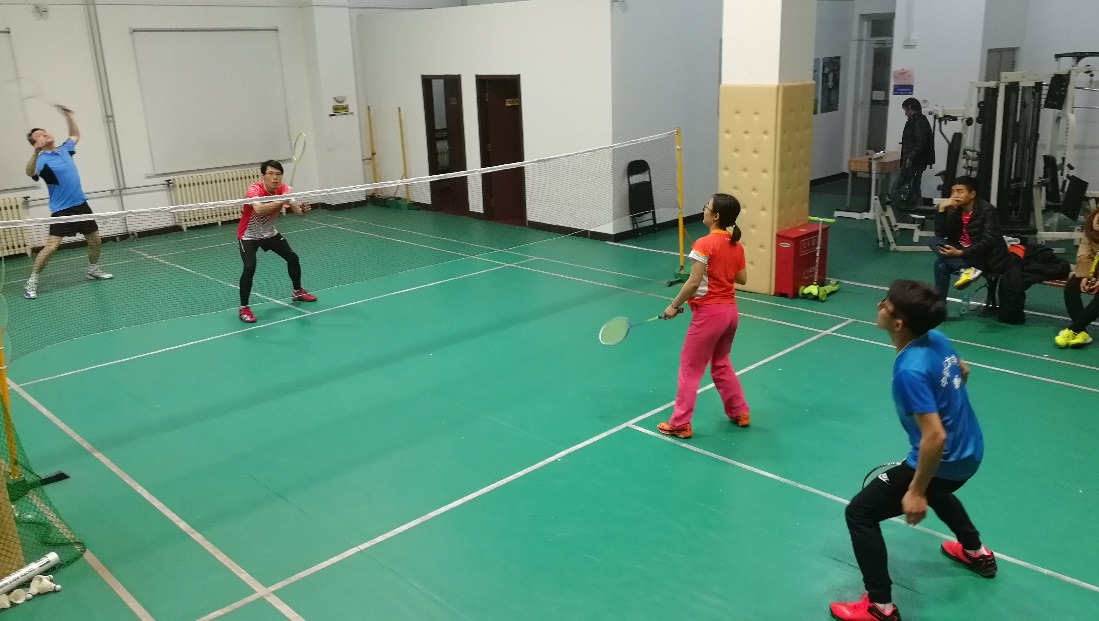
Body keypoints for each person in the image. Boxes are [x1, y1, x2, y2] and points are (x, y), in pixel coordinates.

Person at [830, 279, 996, 621]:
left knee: (860, 513)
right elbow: (962, 369)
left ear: (898, 323)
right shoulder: (936, 338)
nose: (880, 305)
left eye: (886, 304)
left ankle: (880, 607)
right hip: (970, 450)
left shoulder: (910, 371)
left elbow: (934, 437)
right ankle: (976, 552)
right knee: (940, 489)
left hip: (946, 458)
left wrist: (916, 491)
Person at [656, 193, 749, 439]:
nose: (704, 209)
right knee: (721, 364)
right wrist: (722, 268)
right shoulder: (736, 245)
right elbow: (742, 278)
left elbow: (693, 283)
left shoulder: (704, 244)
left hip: (709, 315)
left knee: (690, 369)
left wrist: (673, 306)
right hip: (730, 314)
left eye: (706, 206)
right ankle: (740, 411)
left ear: (715, 216)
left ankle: (680, 423)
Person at [23, 106, 113, 299]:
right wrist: (36, 153)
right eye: (39, 135)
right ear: (36, 143)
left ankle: (93, 270)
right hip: (61, 210)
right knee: (51, 247)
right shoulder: (42, 160)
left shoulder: (65, 149)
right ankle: (32, 281)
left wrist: (68, 116)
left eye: (44, 131)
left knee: (95, 241)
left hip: (81, 204)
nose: (44, 134)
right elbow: (30, 172)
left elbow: (75, 135)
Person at [237, 160, 317, 323]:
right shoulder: (254, 189)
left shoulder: (284, 190)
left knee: (292, 258)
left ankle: (297, 292)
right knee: (249, 267)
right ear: (263, 176)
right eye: (271, 174)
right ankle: (244, 307)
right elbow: (259, 209)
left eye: (278, 174)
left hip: (270, 234)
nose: (275, 177)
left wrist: (303, 209)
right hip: (249, 236)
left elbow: (299, 213)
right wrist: (281, 200)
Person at [928, 176, 1009, 298]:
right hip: (964, 255)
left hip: (985, 257)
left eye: (960, 192)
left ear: (972, 194)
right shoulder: (954, 210)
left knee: (941, 263)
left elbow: (988, 241)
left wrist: (960, 252)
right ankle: (939, 304)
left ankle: (965, 270)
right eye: (953, 192)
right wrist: (941, 209)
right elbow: (941, 234)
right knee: (933, 242)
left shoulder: (987, 210)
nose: (955, 195)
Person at [1055, 206, 1099, 348]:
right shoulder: (1091, 224)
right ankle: (1082, 333)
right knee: (1071, 286)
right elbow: (1084, 253)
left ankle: (1073, 330)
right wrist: (1085, 275)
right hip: (1094, 268)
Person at [890, 98, 935, 212]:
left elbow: (921, 143)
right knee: (915, 188)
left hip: (914, 162)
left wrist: (910, 157)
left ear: (910, 107)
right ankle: (917, 213)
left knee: (896, 189)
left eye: (905, 110)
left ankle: (899, 213)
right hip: (917, 161)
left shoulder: (918, 121)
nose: (905, 113)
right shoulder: (918, 120)